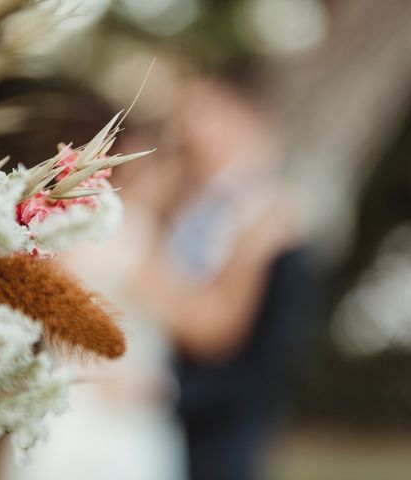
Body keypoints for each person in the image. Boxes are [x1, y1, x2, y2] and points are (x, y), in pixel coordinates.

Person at [133, 77, 316, 480]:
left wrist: (169, 392)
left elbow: (260, 354)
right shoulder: (173, 205)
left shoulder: (273, 220)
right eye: (189, 117)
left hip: (222, 421)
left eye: (210, 115)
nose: (196, 129)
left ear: (248, 122)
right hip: (154, 406)